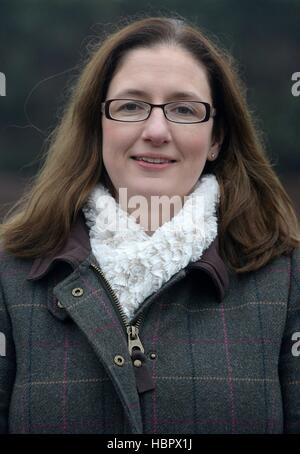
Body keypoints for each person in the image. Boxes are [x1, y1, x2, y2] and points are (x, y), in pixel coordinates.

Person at [0, 16, 300, 435]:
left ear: (216, 138)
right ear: (97, 126)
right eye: (130, 106)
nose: (156, 130)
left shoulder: (286, 280)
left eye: (183, 109)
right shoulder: (10, 277)